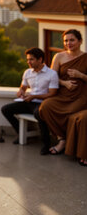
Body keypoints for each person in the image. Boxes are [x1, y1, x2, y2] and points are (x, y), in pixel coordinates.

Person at [39, 29, 87, 166]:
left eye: (72, 40)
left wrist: (80, 75)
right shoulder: (59, 57)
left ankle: (66, 142)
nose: (68, 43)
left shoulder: (85, 57)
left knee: (74, 114)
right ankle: (62, 138)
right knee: (45, 107)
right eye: (66, 40)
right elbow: (52, 77)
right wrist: (64, 82)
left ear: (80, 41)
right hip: (63, 95)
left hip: (81, 97)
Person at [0, 47, 58, 154]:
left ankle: (46, 144)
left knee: (39, 114)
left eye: (31, 59)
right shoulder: (27, 72)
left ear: (40, 59)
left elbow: (52, 94)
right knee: (6, 109)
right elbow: (23, 87)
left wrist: (34, 97)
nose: (28, 62)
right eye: (27, 59)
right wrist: (21, 92)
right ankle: (21, 133)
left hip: (42, 103)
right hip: (28, 102)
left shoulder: (52, 74)